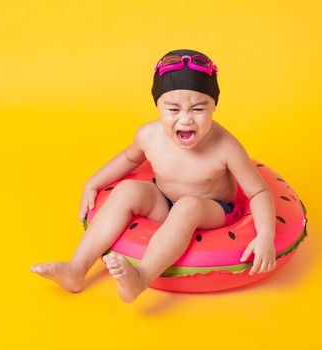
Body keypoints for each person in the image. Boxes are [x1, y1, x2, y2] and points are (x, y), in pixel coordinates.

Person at [31, 49, 277, 303]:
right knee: (126, 190)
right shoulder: (149, 136)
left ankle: (141, 277)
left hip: (215, 209)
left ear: (214, 105)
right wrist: (92, 183)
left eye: (198, 109)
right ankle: (77, 268)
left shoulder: (226, 147)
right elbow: (128, 159)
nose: (185, 119)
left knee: (188, 206)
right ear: (157, 106)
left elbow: (258, 192)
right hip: (165, 200)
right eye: (173, 109)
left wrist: (266, 236)